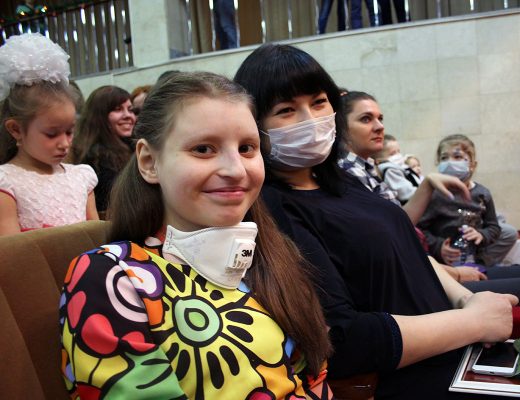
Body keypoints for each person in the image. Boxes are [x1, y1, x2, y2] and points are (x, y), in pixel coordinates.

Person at [235, 43, 520, 400]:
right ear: (255, 127)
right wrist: (473, 322)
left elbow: (409, 253)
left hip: (448, 328)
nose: (310, 120)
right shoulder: (275, 207)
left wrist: (466, 300)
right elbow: (344, 339)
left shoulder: (339, 179)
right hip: (413, 368)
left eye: (319, 102)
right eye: (286, 110)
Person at [59, 71, 332, 399]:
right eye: (203, 149)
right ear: (149, 162)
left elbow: (317, 379)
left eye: (247, 148)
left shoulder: (274, 254)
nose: (236, 170)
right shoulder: (111, 277)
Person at [339, 91, 520, 320]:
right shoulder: (347, 172)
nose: (379, 126)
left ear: (473, 163)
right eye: (366, 119)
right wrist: (454, 272)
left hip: (437, 268)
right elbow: (396, 244)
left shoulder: (366, 169)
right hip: (420, 280)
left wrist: (477, 239)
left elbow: (400, 227)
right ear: (340, 125)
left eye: (380, 118)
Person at [0, 33, 98, 236]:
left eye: (69, 132)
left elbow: (98, 237)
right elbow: (11, 249)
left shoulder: (81, 177)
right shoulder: (6, 182)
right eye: (52, 134)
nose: (65, 143)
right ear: (16, 129)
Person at [417, 134, 519, 268]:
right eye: (444, 158)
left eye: (457, 157)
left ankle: (484, 265)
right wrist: (438, 246)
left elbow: (493, 227)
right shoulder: (435, 195)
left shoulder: (482, 194)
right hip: (443, 263)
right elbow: (419, 229)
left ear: (472, 165)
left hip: (474, 257)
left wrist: (481, 234)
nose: (450, 162)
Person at [69, 85, 136, 216]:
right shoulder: (96, 157)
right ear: (100, 116)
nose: (128, 116)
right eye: (118, 109)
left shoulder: (134, 146)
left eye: (130, 109)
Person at [375, 134, 421, 203]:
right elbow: (406, 193)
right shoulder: (390, 171)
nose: (398, 155)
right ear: (379, 160)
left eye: (398, 151)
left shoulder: (401, 168)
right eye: (392, 154)